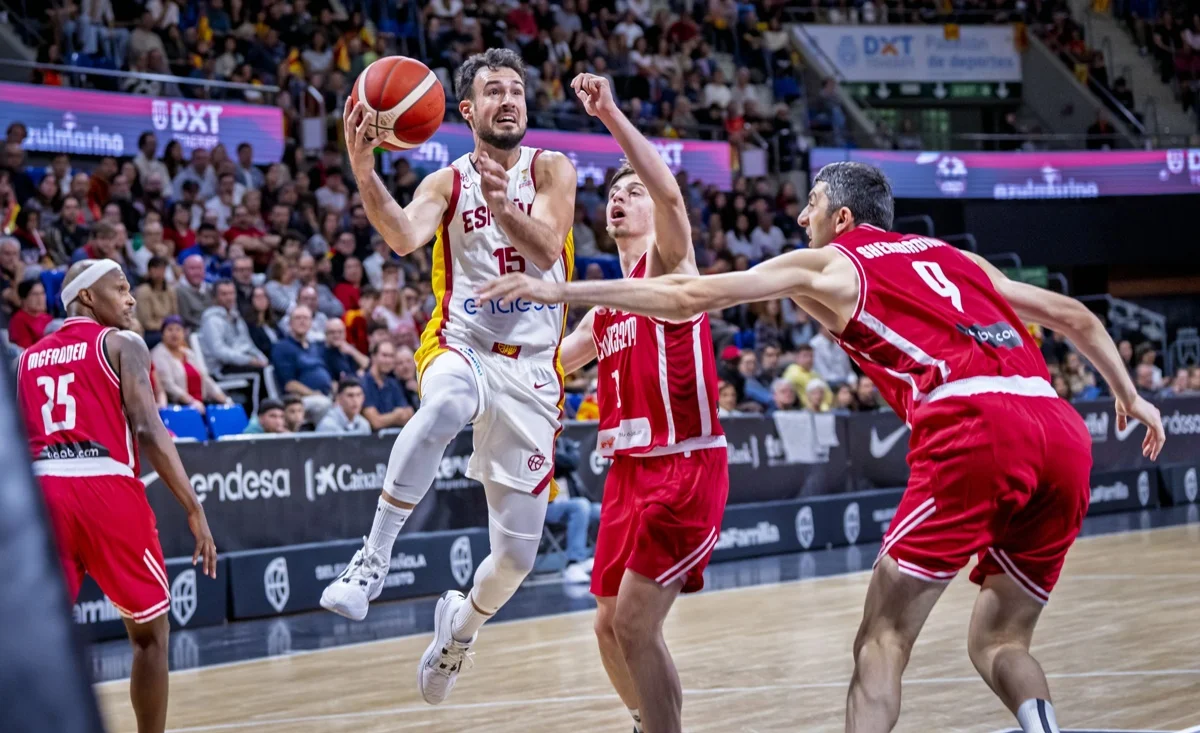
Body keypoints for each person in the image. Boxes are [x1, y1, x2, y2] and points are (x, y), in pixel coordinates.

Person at [483, 161, 1167, 733]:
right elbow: (1074, 315)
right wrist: (1130, 396)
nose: (800, 217)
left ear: (841, 217)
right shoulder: (956, 257)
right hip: (1061, 430)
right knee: (1001, 640)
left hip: (975, 424)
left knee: (882, 639)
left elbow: (688, 292)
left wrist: (559, 287)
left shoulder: (834, 261)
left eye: (810, 204)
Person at [320, 47, 577, 709]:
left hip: (533, 372)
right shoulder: (448, 181)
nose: (509, 100)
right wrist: (363, 169)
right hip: (463, 344)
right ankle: (372, 560)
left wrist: (503, 205)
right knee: (443, 406)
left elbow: (546, 247)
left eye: (516, 89)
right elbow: (403, 236)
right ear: (466, 109)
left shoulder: (552, 167)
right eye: (494, 91)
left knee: (515, 560)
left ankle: (458, 632)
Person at [483, 73, 729, 733]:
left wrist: (611, 115)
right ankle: (646, 720)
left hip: (682, 464)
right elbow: (540, 366)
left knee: (636, 622)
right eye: (614, 193)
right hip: (626, 474)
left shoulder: (673, 268)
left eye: (632, 191)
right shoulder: (605, 311)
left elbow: (669, 192)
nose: (620, 198)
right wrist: (472, 366)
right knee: (606, 623)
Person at [18, 259, 216, 733]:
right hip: (104, 485)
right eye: (121, 288)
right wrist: (193, 506)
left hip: (43, 495)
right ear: (87, 297)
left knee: (33, 640)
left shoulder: (24, 359)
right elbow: (148, 428)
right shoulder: (122, 343)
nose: (130, 299)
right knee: (150, 636)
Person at [150, 315, 229, 413]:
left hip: (201, 404)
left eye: (178, 329)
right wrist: (191, 401)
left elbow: (206, 379)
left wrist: (224, 398)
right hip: (179, 407)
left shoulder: (189, 353)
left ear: (183, 333)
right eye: (170, 330)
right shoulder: (158, 354)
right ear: (162, 334)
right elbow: (168, 384)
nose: (174, 333)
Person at [360, 340, 414, 430]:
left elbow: (409, 414)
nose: (388, 360)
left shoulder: (393, 383)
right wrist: (396, 415)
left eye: (391, 356)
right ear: (373, 357)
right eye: (384, 355)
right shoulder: (363, 383)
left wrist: (386, 419)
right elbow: (376, 422)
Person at [9, 279, 54, 348]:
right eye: (35, 294)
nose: (40, 298)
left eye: (42, 293)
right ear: (23, 299)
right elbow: (25, 349)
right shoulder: (18, 320)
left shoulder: (47, 318)